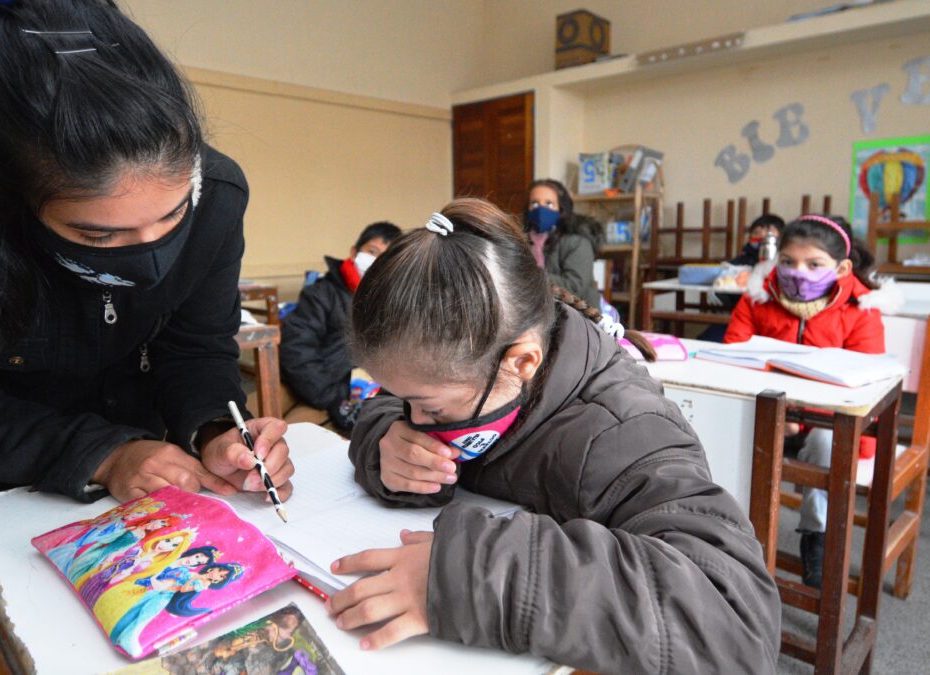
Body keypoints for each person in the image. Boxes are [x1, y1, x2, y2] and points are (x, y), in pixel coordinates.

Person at [0, 2, 293, 672]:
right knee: (1, 634)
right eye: (98, 235)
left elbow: (195, 345)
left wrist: (211, 426)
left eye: (172, 215)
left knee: (148, 634)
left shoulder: (219, 191)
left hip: (124, 429)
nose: (151, 256)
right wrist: (102, 452)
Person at [325, 198, 781, 672]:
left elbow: (735, 629)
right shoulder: (472, 363)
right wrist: (383, 438)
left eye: (429, 407)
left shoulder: (624, 431)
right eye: (408, 403)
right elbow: (389, 401)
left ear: (522, 363)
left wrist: (473, 576)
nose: (416, 422)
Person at [725, 214, 900, 588]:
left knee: (826, 445)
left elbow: (860, 388)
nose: (797, 272)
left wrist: (798, 419)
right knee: (718, 426)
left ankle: (816, 536)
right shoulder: (758, 297)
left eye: (814, 264)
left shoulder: (860, 310)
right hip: (766, 413)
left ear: (842, 268)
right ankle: (729, 535)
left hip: (829, 425)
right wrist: (776, 413)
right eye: (788, 262)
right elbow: (734, 359)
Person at [280, 221, 401, 431]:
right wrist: (332, 398)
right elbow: (297, 348)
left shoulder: (394, 300)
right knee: (289, 438)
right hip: (320, 390)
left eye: (385, 258)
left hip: (372, 394)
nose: (375, 262)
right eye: (372, 252)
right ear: (354, 252)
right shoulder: (322, 293)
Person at [699, 213, 787, 342]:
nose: (762, 237)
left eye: (769, 232)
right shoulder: (740, 261)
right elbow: (723, 289)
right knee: (710, 340)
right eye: (757, 232)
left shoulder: (784, 263)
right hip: (738, 315)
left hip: (773, 319)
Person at [523, 178, 603, 307]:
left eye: (549, 204)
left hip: (576, 316)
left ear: (561, 208)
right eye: (534, 204)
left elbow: (574, 287)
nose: (541, 210)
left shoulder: (577, 242)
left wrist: (529, 276)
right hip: (533, 312)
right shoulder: (520, 240)